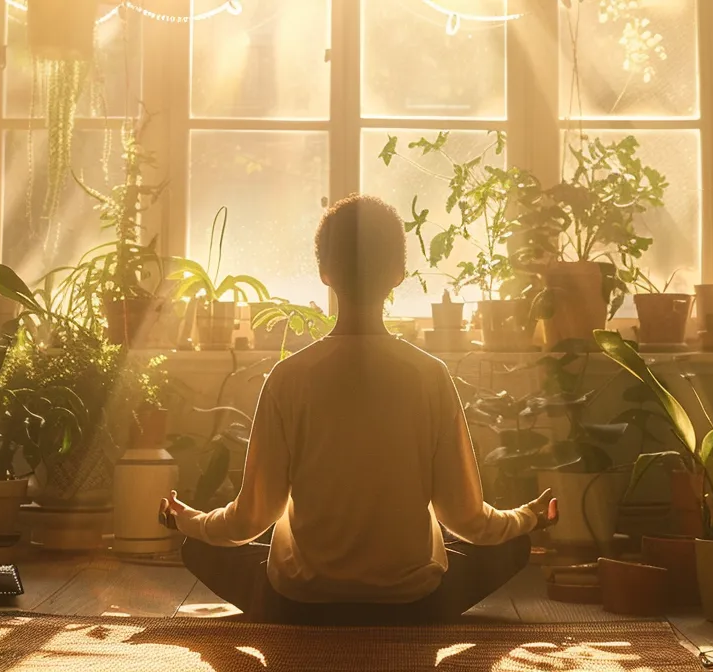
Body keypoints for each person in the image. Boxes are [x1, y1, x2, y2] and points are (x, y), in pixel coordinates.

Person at [158, 194, 557, 625]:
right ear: (399, 275)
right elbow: (468, 521)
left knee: (198, 546)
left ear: (325, 273)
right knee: (514, 545)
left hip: (299, 603)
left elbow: (250, 520)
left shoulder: (289, 377)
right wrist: (528, 517)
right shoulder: (429, 376)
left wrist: (189, 521)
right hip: (414, 602)